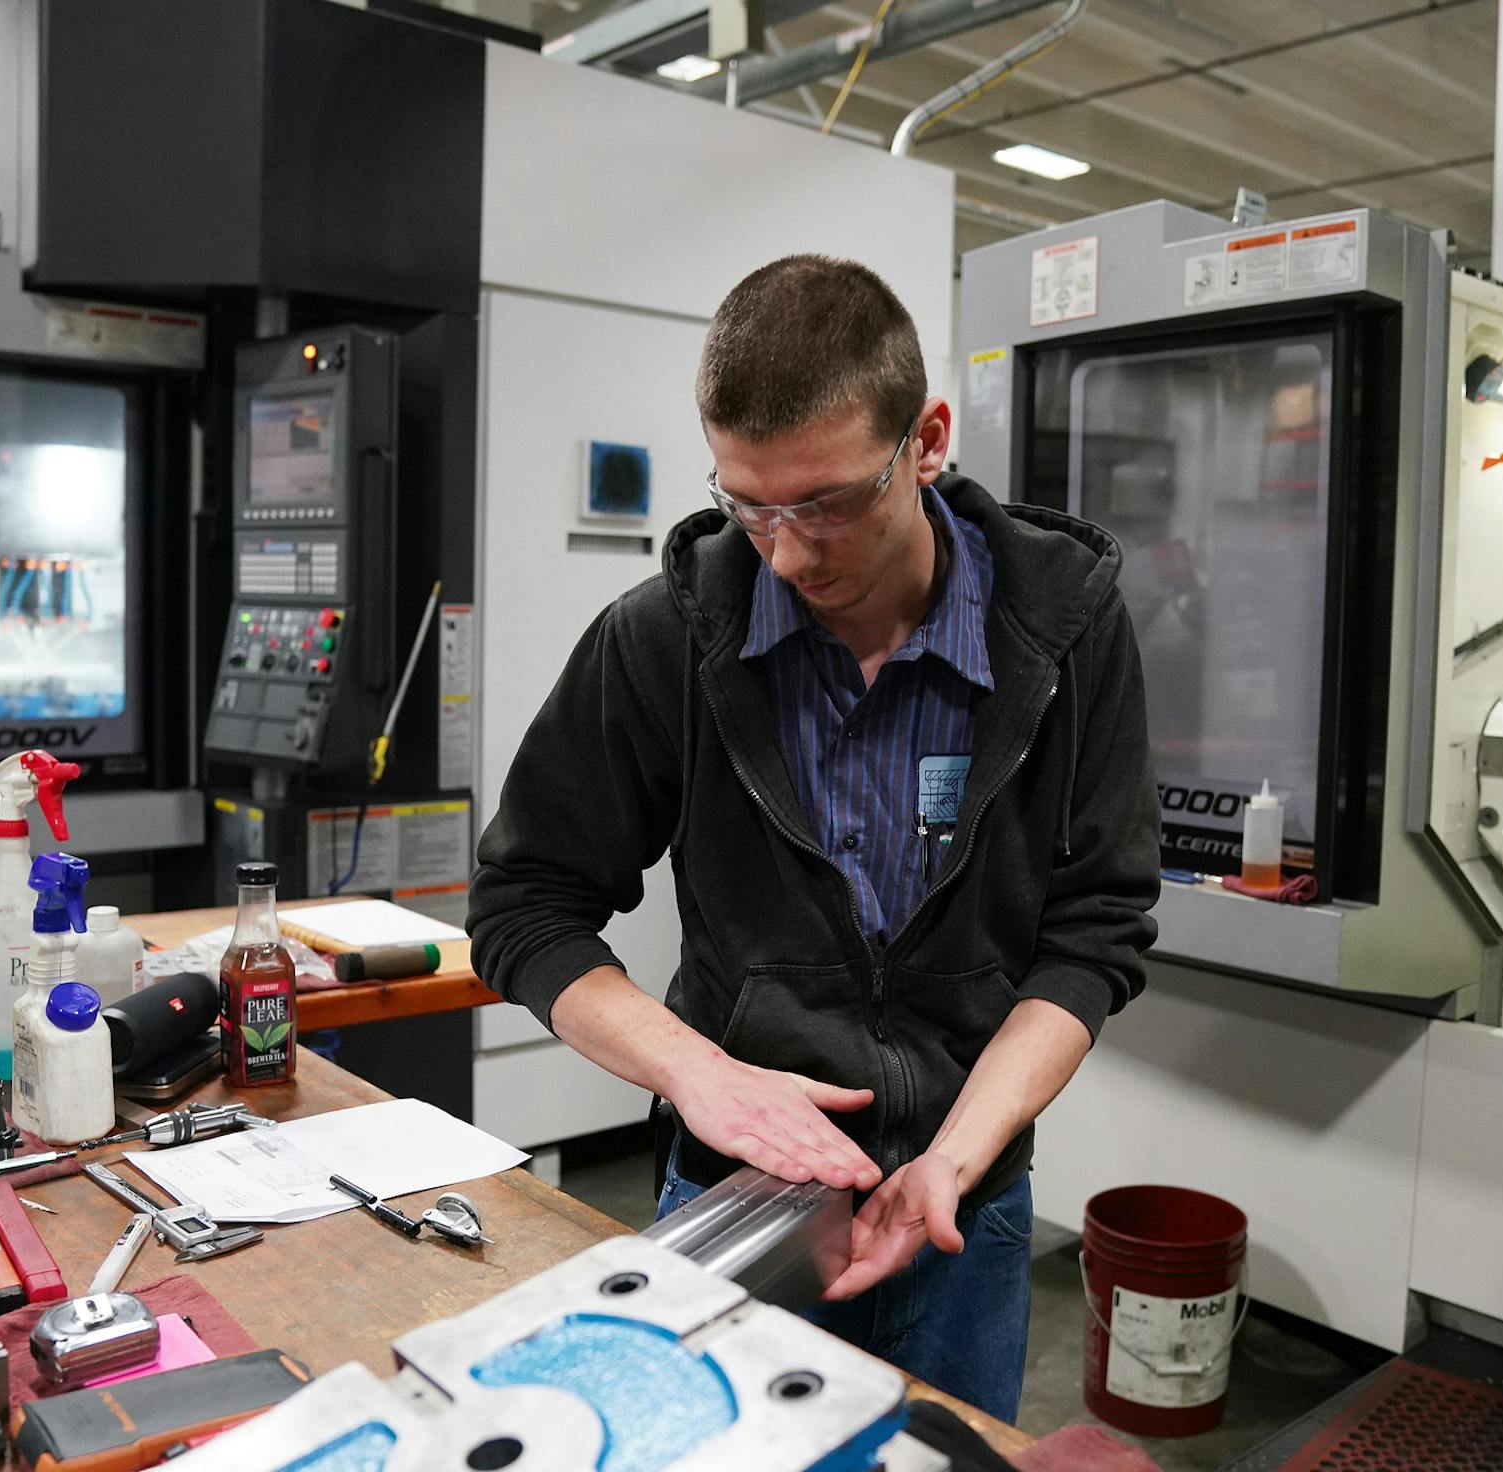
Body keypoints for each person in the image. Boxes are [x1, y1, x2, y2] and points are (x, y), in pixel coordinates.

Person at [466, 254, 1159, 1421]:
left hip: (963, 1204)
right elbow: (523, 905)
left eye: (828, 504)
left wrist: (955, 1151)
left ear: (927, 439)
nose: (786, 551)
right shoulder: (666, 639)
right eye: (750, 504)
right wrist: (701, 1072)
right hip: (729, 1201)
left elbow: (1093, 935)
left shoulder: (1065, 636)